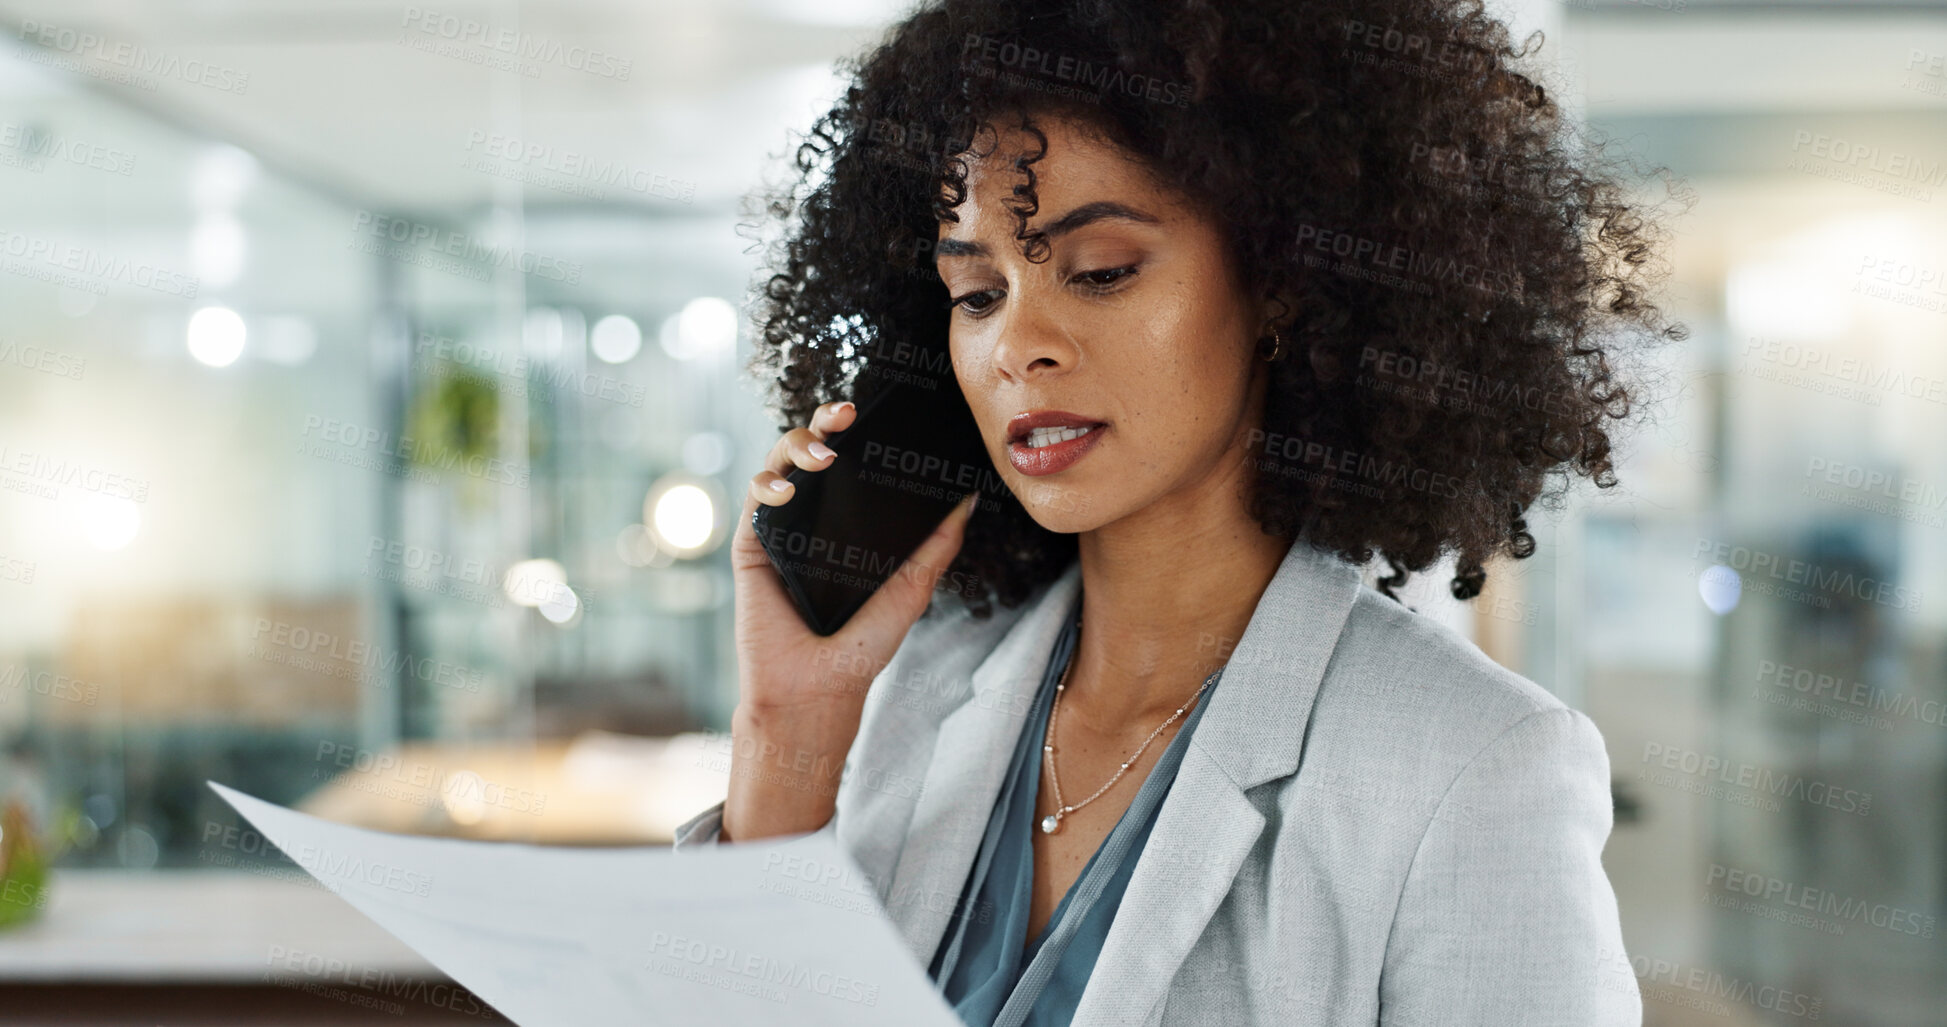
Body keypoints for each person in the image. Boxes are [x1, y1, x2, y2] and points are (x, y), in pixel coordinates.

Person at [674, 0, 1684, 1023]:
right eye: (976, 294)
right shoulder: (924, 685)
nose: (1018, 344)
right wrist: (787, 727)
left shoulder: (1472, 766)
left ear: (1284, 285)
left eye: (1101, 271)